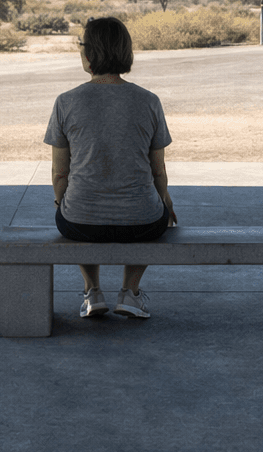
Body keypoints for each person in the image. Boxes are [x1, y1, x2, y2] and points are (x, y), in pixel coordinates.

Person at [45, 16, 177, 320]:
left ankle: (92, 291)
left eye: (82, 45)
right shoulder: (149, 101)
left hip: (79, 222)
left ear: (89, 53)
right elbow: (158, 170)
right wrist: (167, 204)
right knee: (157, 218)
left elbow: (59, 174)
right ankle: (130, 292)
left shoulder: (66, 102)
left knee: (77, 211)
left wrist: (61, 202)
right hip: (143, 221)